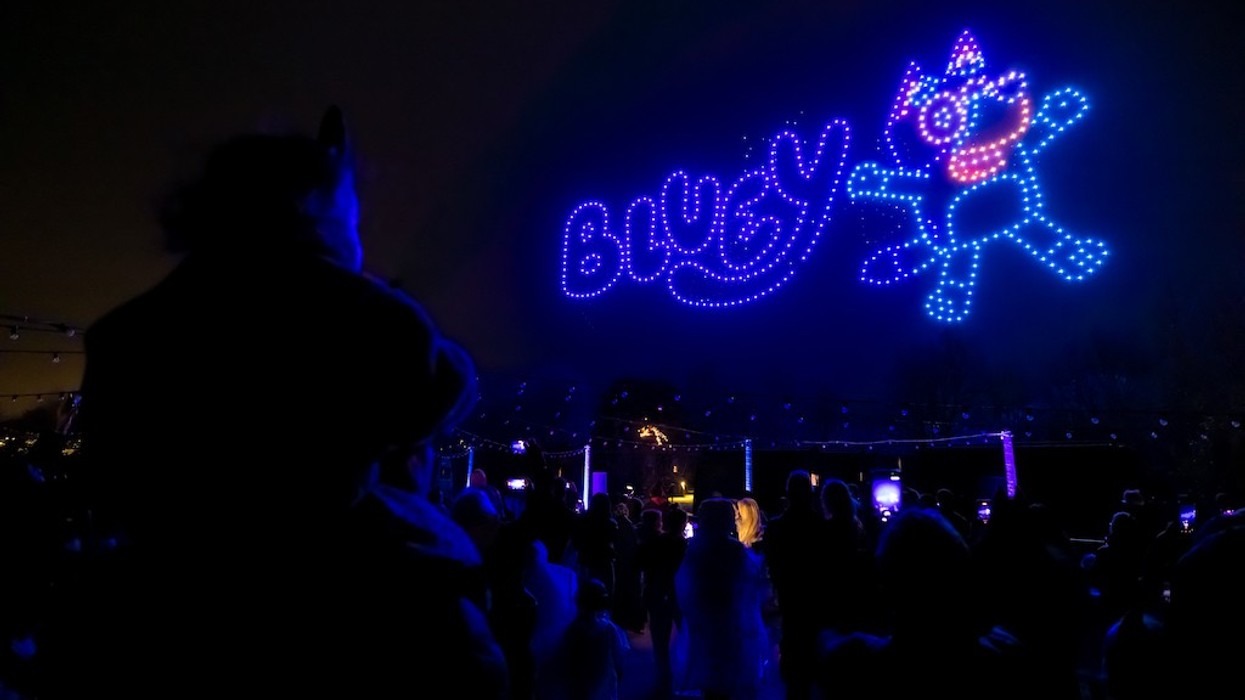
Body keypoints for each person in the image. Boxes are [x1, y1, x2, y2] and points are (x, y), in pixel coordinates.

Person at [38, 107, 506, 698]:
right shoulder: (363, 315)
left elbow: (108, 462)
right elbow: (443, 382)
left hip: (164, 587)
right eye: (355, 220)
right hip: (341, 587)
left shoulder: (128, 331)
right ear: (326, 213)